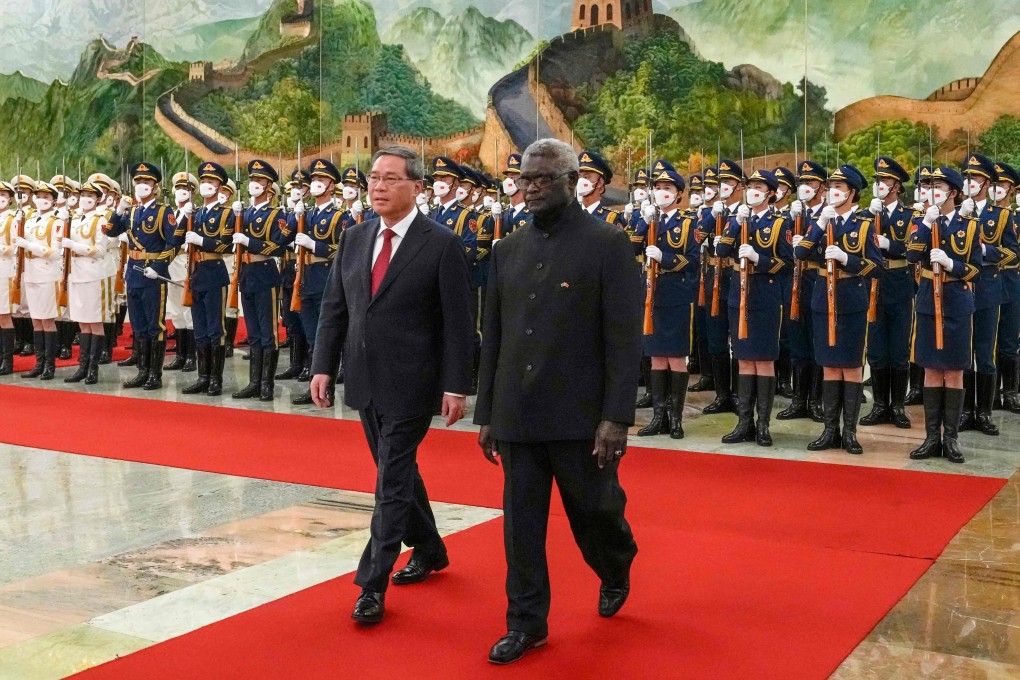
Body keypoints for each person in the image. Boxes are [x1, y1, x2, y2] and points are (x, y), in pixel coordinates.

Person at [475, 138, 641, 665]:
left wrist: (616, 418)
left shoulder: (606, 244)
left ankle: (615, 563)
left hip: (580, 416)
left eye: (545, 179)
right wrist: (486, 415)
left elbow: (623, 340)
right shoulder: (507, 249)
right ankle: (526, 623)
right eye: (526, 179)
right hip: (518, 415)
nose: (532, 188)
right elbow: (494, 338)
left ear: (573, 181)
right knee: (520, 525)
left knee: (593, 512)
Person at [309, 146, 474, 626]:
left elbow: (459, 325)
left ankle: (371, 584)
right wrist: (322, 365)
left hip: (413, 382)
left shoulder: (441, 244)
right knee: (396, 473)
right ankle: (430, 547)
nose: (377, 187)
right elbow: (336, 308)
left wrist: (456, 385)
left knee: (389, 481)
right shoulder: (356, 237)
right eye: (373, 179)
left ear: (416, 188)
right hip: (362, 376)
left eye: (390, 179)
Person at [793, 164, 884, 454]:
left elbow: (877, 267)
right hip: (823, 297)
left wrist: (848, 258)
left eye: (840, 187)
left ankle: (849, 432)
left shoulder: (864, 224)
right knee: (830, 365)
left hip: (852, 299)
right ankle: (829, 429)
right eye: (831, 186)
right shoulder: (821, 221)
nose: (833, 191)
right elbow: (800, 252)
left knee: (852, 367)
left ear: (852, 193)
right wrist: (819, 225)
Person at [906, 166, 982, 463]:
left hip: (957, 302)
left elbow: (976, 270)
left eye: (939, 186)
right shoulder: (920, 221)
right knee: (931, 369)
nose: (932, 191)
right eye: (930, 186)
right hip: (928, 300)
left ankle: (950, 439)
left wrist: (953, 264)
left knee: (954, 371)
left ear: (953, 192)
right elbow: (911, 254)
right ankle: (930, 438)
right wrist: (926, 223)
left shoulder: (970, 225)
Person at [715, 169, 793, 446]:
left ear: (771, 193)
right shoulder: (737, 220)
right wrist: (736, 224)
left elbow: (787, 263)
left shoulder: (781, 223)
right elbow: (722, 251)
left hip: (766, 295)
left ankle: (763, 424)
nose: (753, 191)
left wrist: (759, 259)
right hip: (740, 295)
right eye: (750, 186)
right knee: (745, 358)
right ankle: (744, 422)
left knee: (764, 360)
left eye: (759, 187)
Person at [104, 162, 184, 390]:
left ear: (155, 186)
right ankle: (142, 371)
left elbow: (174, 242)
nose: (141, 186)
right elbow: (110, 231)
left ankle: (154, 374)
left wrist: (158, 267)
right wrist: (118, 211)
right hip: (134, 272)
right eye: (138, 182)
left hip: (152, 274)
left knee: (154, 325)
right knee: (138, 326)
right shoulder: (131, 212)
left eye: (146, 182)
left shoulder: (163, 211)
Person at [637, 160, 699, 439]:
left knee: (675, 358)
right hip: (652, 295)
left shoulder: (688, 223)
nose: (661, 192)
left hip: (676, 295)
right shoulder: (649, 219)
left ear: (678, 194)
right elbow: (628, 244)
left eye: (667, 188)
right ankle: (658, 416)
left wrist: (667, 258)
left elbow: (694, 260)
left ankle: (675, 418)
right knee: (656, 358)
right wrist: (642, 221)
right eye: (657, 187)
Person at [959, 153, 1013, 436]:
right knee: (965, 352)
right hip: (961, 289)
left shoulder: (1000, 215)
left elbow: (1013, 251)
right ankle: (967, 410)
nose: (970, 183)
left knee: (985, 352)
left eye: (975, 178)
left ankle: (984, 412)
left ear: (987, 183)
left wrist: (985, 251)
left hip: (989, 289)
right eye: (966, 177)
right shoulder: (958, 212)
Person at [860, 156, 915, 429]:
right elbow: (854, 241)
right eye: (877, 181)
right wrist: (870, 217)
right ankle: (879, 405)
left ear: (896, 185)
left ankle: (897, 406)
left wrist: (889, 243)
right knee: (877, 348)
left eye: (884, 181)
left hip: (899, 282)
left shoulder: (911, 216)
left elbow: (916, 247)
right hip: (873, 283)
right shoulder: (866, 215)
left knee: (899, 349)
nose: (879, 185)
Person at [230, 160, 292, 401]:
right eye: (252, 180)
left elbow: (278, 246)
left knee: (269, 333)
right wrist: (233, 215)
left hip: (265, 272)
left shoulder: (276, 215)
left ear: (269, 185)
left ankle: (267, 384)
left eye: (259, 180)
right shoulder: (243, 213)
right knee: (254, 332)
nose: (254, 184)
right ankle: (254, 382)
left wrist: (250, 243)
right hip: (246, 274)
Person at [290, 159, 345, 406]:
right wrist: (293, 212)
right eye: (313, 180)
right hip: (305, 279)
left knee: (327, 337)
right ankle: (315, 386)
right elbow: (282, 237)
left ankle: (328, 388)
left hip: (325, 279)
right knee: (312, 337)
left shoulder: (339, 216)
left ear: (332, 185)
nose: (315, 184)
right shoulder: (306, 214)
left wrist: (315, 246)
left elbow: (343, 250)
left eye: (320, 180)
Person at [779, 160, 828, 422]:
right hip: (793, 280)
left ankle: (816, 400)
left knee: (816, 341)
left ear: (821, 186)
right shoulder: (792, 214)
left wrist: (809, 242)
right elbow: (779, 247)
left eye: (810, 182)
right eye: (802, 183)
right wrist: (790, 220)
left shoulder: (828, 214)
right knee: (797, 341)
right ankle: (799, 400)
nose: (805, 187)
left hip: (817, 280)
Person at [180, 162, 232, 397]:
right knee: (199, 329)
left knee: (215, 329)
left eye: (211, 182)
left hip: (213, 272)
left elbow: (226, 243)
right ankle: (202, 376)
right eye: (204, 182)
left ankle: (215, 379)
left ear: (220, 187)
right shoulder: (196, 213)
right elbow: (175, 238)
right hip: (196, 273)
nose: (206, 185)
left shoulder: (226, 214)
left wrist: (202, 241)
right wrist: (183, 217)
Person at [15, 181, 69, 380]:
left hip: (47, 274)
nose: (42, 200)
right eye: (39, 197)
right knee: (36, 320)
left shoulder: (57, 222)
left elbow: (56, 253)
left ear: (54, 201)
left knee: (47, 320)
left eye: (46, 197)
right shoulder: (29, 220)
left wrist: (29, 245)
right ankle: (39, 363)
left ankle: (49, 365)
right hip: (30, 274)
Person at [61, 180, 114, 384]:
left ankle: (93, 369)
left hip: (94, 274)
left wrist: (73, 245)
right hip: (77, 273)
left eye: (90, 196)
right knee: (83, 322)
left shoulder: (101, 219)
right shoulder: (73, 218)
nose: (85, 199)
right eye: (83, 195)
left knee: (96, 322)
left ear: (97, 200)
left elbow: (100, 250)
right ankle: (82, 367)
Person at [992, 161, 1020, 412]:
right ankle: (989, 393)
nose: (998, 187)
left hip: (1012, 281)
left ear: (1012, 188)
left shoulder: (1016, 218)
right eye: (995, 183)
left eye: (1002, 184)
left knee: (1009, 340)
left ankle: (1010, 392)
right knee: (987, 340)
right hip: (988, 281)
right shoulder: (980, 216)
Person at [164, 172, 198, 373]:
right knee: (176, 312)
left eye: (185, 189)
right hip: (171, 267)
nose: (181, 192)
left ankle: (191, 357)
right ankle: (180, 355)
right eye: (178, 188)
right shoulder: (172, 214)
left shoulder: (194, 213)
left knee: (188, 313)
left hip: (185, 265)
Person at [577, 150, 625, 227]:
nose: (581, 181)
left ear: (599, 183)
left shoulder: (610, 219)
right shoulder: (571, 216)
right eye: (579, 176)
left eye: (586, 177)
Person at [0, 181, 19, 374]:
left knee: (4, 315)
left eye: (3, 195)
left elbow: (15, 247)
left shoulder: (12, 219)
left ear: (10, 199)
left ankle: (7, 360)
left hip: (4, 271)